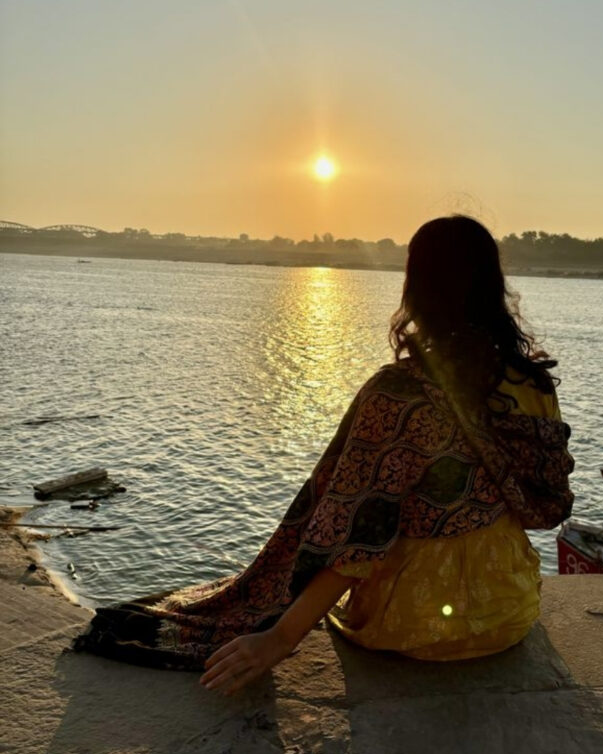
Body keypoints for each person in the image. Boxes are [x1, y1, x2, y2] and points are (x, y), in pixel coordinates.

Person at [72, 215, 574, 696]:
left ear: (416, 289)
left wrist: (280, 637)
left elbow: (354, 536)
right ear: (493, 287)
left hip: (412, 626)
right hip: (508, 613)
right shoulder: (535, 386)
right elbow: (545, 508)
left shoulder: (398, 394)